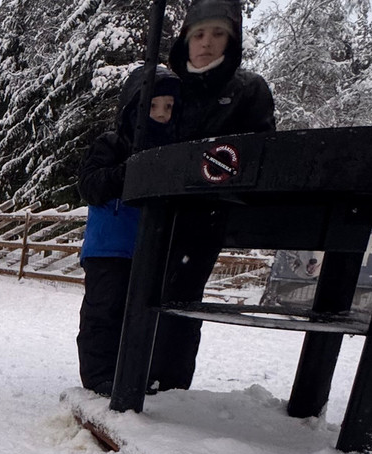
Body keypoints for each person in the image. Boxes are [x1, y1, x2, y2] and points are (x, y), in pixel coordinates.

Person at [147, 0, 275, 391]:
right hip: (154, 209)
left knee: (180, 299)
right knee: (135, 292)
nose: (206, 43)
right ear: (185, 39)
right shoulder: (166, 89)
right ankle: (127, 370)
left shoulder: (247, 91)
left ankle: (169, 386)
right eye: (199, 33)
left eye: (218, 33)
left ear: (232, 40)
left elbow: (258, 153)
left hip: (207, 215)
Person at [77, 65, 180, 396]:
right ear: (132, 108)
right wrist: (128, 173)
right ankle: (99, 377)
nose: (161, 115)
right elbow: (90, 186)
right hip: (108, 249)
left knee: (143, 316)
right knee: (103, 313)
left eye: (168, 108)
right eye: (152, 106)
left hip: (149, 249)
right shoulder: (111, 145)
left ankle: (140, 372)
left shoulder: (174, 152)